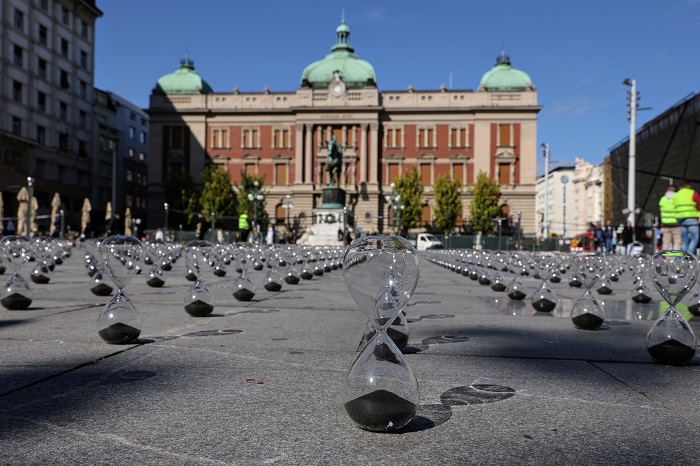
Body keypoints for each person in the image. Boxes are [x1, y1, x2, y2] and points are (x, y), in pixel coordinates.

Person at [672, 182, 700, 255]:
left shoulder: (676, 195)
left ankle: (685, 256)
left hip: (680, 219)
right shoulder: (692, 193)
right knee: (695, 238)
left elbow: (674, 206)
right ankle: (689, 255)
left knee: (684, 240)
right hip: (691, 218)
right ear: (689, 186)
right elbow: (699, 204)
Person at [659, 185, 681, 250]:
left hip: (665, 224)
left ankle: (666, 258)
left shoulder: (663, 199)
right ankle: (675, 257)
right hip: (675, 223)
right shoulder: (676, 199)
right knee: (677, 242)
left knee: (666, 242)